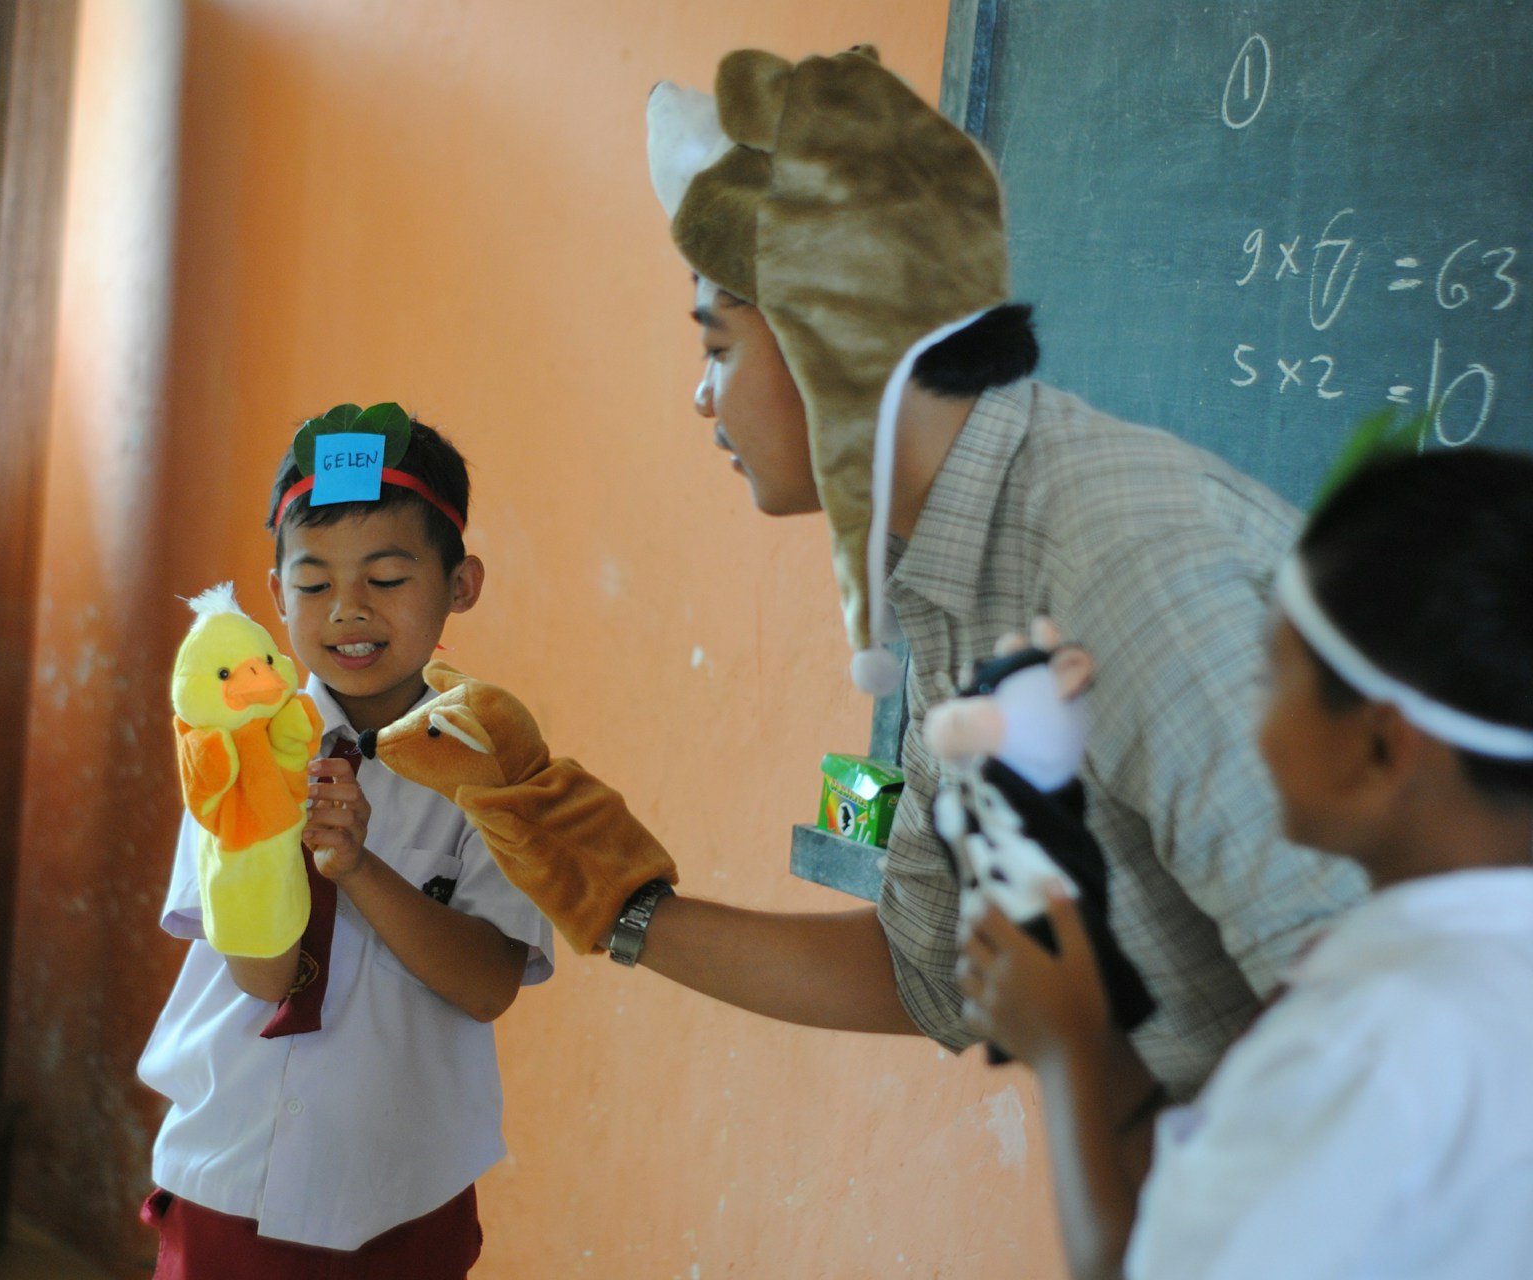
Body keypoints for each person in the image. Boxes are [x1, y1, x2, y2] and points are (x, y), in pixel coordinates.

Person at [479, 44, 1360, 1103]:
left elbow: (1383, 1033)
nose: (701, 400)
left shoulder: (1116, 569)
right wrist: (615, 902)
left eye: (717, 346)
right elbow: (934, 974)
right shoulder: (947, 571)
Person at [958, 448, 1533, 1280]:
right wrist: (1087, 995)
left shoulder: (1372, 1038)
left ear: (1379, 746)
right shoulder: (1452, 971)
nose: (1252, 715)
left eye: (1272, 676)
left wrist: (1069, 1052)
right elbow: (1205, 1187)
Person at [137, 410, 554, 1279]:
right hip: (230, 1172)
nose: (349, 611)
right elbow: (257, 976)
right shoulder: (233, 748)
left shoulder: (493, 764)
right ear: (276, 591)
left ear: (461, 583)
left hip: (401, 1195)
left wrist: (359, 869)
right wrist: (269, 840)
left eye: (389, 576)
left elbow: (487, 986)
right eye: (314, 582)